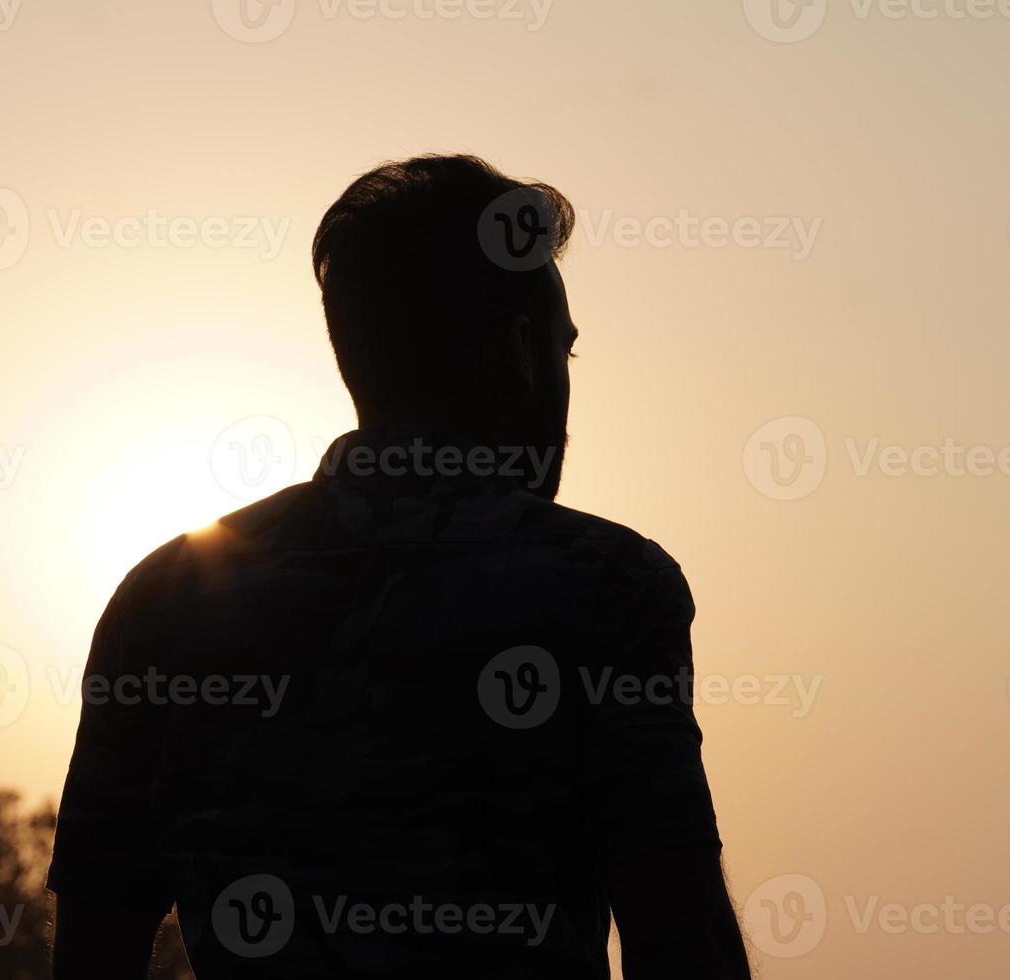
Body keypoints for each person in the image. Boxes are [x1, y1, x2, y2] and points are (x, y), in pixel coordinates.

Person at [48, 154, 752, 979]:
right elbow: (678, 930)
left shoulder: (164, 598)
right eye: (565, 351)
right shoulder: (605, 585)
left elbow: (93, 946)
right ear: (519, 350)